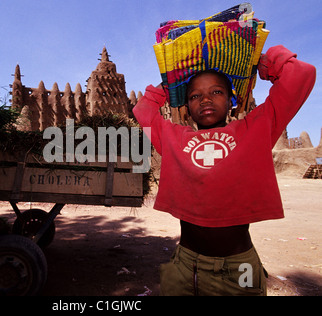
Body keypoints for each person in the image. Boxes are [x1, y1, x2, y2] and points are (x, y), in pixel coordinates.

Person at [133, 45, 316, 296]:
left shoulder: (255, 129)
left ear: (233, 100)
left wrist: (262, 63)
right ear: (185, 107)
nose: (205, 99)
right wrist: (169, 84)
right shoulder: (174, 139)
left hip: (239, 268)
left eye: (216, 92)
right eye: (195, 96)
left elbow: (302, 74)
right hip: (184, 264)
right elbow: (143, 111)